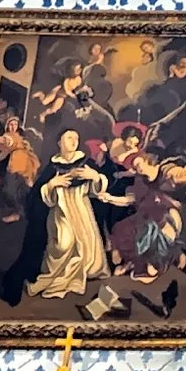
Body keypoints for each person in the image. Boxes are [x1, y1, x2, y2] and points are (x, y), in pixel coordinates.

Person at [31, 129, 126, 301]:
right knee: (63, 243)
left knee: (86, 244)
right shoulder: (53, 165)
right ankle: (57, 274)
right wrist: (53, 184)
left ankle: (83, 272)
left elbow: (99, 187)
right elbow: (39, 193)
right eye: (69, 137)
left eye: (76, 137)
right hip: (61, 210)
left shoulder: (85, 161)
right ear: (59, 142)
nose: (74, 141)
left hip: (82, 208)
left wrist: (95, 176)